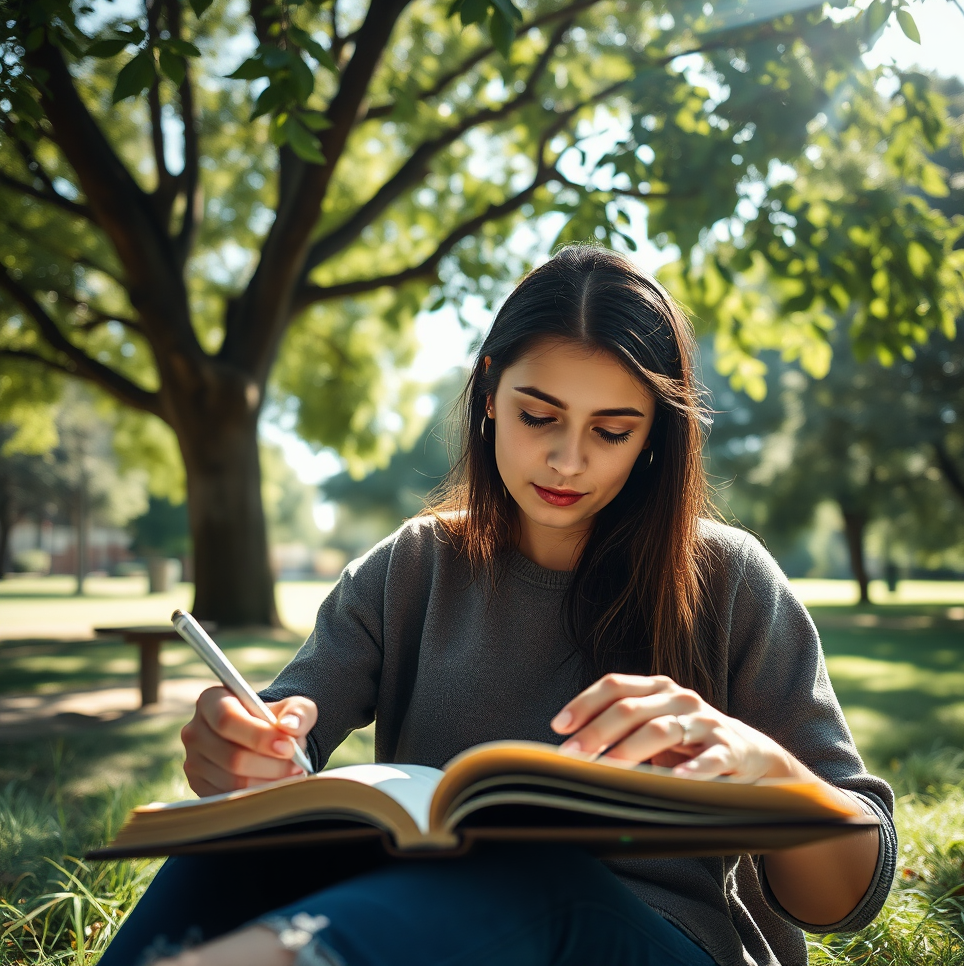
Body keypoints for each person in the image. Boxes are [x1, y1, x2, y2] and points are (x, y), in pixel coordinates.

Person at [101, 246, 896, 966]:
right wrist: (245, 750)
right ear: (488, 392)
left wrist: (764, 768)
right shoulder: (414, 565)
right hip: (440, 927)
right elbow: (284, 736)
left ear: (654, 437)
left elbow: (845, 898)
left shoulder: (727, 579)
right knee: (236, 850)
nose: (566, 458)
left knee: (532, 870)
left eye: (612, 431)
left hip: (653, 941)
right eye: (537, 416)